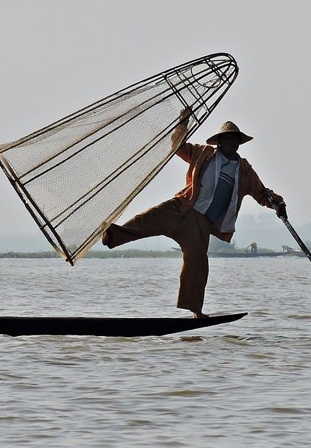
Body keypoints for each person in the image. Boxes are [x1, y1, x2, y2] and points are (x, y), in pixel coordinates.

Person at [101, 109, 285, 318]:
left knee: (197, 263)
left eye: (235, 139)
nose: (231, 142)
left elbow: (262, 192)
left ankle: (195, 311)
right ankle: (112, 235)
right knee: (147, 219)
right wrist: (183, 122)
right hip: (182, 207)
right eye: (227, 138)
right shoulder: (203, 153)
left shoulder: (243, 169)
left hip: (201, 223)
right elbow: (177, 146)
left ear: (239, 143)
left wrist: (278, 204)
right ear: (219, 142)